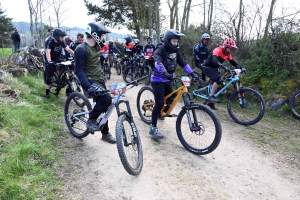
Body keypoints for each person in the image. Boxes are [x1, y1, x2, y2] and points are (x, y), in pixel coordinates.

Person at [149, 29, 200, 139]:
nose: (176, 43)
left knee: (170, 100)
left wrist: (192, 73)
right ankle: (153, 128)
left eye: (177, 41)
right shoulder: (160, 50)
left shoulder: (175, 52)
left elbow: (183, 63)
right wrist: (165, 73)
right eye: (174, 41)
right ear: (168, 40)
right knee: (159, 103)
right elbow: (158, 62)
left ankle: (160, 113)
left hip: (168, 80)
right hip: (158, 80)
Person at [74, 22, 116, 144]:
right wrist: (88, 87)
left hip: (99, 80)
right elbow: (79, 71)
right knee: (107, 99)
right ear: (95, 35)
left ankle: (105, 133)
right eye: (102, 35)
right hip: (89, 80)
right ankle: (91, 119)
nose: (103, 38)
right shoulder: (81, 49)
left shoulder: (96, 47)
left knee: (105, 106)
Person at [203, 38, 246, 110]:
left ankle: (210, 103)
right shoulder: (217, 50)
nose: (230, 51)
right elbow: (215, 60)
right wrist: (224, 67)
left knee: (217, 83)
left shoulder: (228, 54)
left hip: (215, 69)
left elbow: (233, 63)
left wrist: (241, 68)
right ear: (225, 47)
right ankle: (211, 97)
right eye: (229, 49)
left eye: (231, 49)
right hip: (207, 67)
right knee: (219, 79)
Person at [44, 28, 74, 99]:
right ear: (57, 36)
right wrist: (49, 61)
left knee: (66, 66)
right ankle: (47, 93)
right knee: (49, 78)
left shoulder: (61, 42)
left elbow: (68, 49)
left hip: (57, 58)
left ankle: (63, 80)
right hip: (50, 60)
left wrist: (76, 54)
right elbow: (48, 52)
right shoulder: (50, 42)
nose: (63, 38)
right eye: (61, 37)